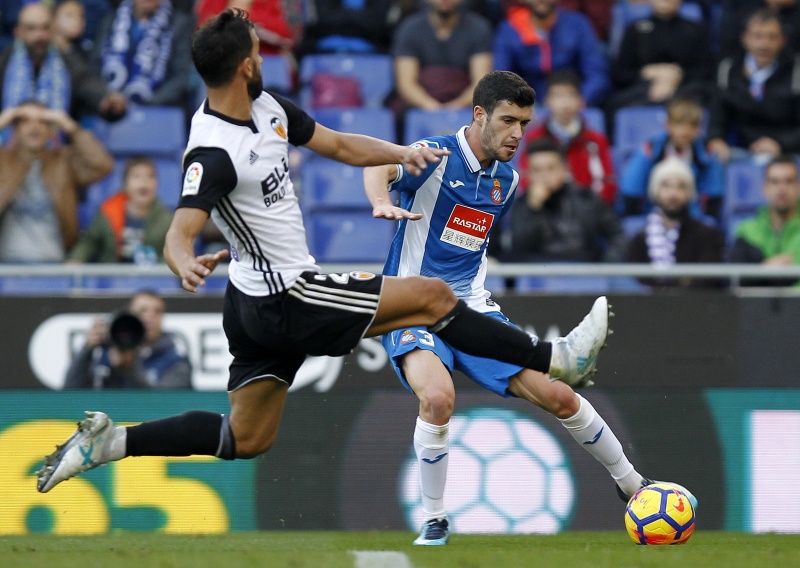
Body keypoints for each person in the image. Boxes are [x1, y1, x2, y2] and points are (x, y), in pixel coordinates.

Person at [36, 11, 611, 496]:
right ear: (245, 65)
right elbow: (178, 231)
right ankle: (554, 357)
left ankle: (112, 442)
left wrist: (403, 154)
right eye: (258, 50)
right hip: (287, 295)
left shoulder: (268, 108)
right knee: (434, 297)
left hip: (252, 301)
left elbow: (338, 144)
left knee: (246, 438)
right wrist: (183, 259)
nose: (265, 55)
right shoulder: (213, 151)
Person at [362, 71, 696, 545]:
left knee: (560, 396)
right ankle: (434, 518)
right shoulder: (434, 156)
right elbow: (377, 163)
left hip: (470, 310)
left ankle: (633, 484)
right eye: (508, 121)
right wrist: (381, 201)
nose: (518, 134)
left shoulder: (508, 179)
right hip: (413, 307)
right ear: (479, 115)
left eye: (524, 123)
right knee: (436, 397)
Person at [0, 100, 114, 263]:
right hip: (5, 265)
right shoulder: (3, 161)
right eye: (25, 121)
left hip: (54, 263)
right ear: (15, 129)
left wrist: (70, 126)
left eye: (42, 121)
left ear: (51, 130)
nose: (34, 127)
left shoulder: (63, 161)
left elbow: (102, 165)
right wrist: (2, 121)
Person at [0, 2, 127, 121]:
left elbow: (89, 85)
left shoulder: (68, 62)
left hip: (58, 136)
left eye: (45, 28)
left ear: (53, 30)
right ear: (18, 32)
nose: (39, 35)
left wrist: (107, 100)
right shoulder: (4, 62)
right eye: (31, 28)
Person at [507, 138, 627, 263]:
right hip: (538, 272)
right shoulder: (520, 205)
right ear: (528, 174)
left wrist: (606, 267)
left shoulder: (586, 199)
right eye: (537, 170)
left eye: (550, 168)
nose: (544, 175)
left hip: (585, 269)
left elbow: (618, 235)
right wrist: (533, 208)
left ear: (565, 169)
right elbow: (517, 249)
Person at [707, 8, 800, 163]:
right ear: (744, 38)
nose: (764, 44)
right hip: (742, 151)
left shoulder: (796, 71)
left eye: (772, 37)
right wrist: (716, 139)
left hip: (789, 153)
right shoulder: (728, 70)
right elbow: (718, 115)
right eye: (757, 36)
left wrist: (780, 143)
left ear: (783, 40)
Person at [518, 70, 616, 206]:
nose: (564, 103)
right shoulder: (534, 137)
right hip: (546, 208)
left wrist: (588, 207)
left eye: (570, 95)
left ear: (581, 100)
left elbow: (607, 183)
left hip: (587, 210)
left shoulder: (595, 140)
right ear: (547, 101)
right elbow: (526, 179)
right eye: (558, 96)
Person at [626, 157, 726, 288]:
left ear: (689, 193)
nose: (673, 194)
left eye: (681, 187)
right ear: (655, 191)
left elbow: (708, 280)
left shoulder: (707, 235)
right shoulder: (639, 239)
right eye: (666, 186)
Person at [620, 97, 725, 221]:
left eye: (692, 125)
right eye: (679, 124)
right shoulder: (651, 150)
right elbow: (631, 190)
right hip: (653, 215)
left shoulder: (706, 154)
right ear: (667, 125)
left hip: (692, 218)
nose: (685, 131)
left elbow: (713, 195)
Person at [65, 290, 192, 389]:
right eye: (142, 311)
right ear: (129, 316)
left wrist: (130, 368)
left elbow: (162, 405)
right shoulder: (107, 351)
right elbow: (70, 391)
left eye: (157, 312)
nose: (149, 317)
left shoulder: (174, 359)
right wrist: (87, 349)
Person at [493, 0, 610, 106]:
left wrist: (580, 100)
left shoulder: (577, 24)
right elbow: (501, 78)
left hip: (571, 101)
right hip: (527, 104)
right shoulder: (509, 29)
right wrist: (520, 104)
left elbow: (597, 74)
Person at [67, 156, 174, 264]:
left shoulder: (167, 220)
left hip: (150, 274)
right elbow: (89, 242)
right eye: (136, 176)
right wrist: (76, 259)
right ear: (125, 184)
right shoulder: (108, 213)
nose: (144, 181)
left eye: (151, 176)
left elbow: (171, 253)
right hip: (111, 273)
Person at [609, 0, 713, 109]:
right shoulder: (635, 30)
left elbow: (705, 70)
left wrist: (676, 76)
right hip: (642, 90)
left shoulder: (696, 30)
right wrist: (647, 72)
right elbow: (620, 74)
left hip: (686, 90)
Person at [391, 0, 493, 111]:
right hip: (420, 106)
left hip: (466, 108)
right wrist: (433, 107)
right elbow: (406, 84)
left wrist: (454, 108)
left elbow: (480, 83)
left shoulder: (478, 28)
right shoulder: (409, 29)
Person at [92, 0, 194, 107]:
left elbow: (180, 76)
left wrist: (148, 102)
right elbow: (95, 65)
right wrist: (108, 97)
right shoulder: (111, 19)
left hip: (156, 107)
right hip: (109, 105)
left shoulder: (179, 24)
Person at [729, 154, 800, 285]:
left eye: (789, 181)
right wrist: (765, 269)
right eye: (774, 182)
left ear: (798, 187)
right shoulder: (747, 231)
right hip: (759, 299)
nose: (782, 189)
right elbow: (735, 282)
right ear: (764, 188)